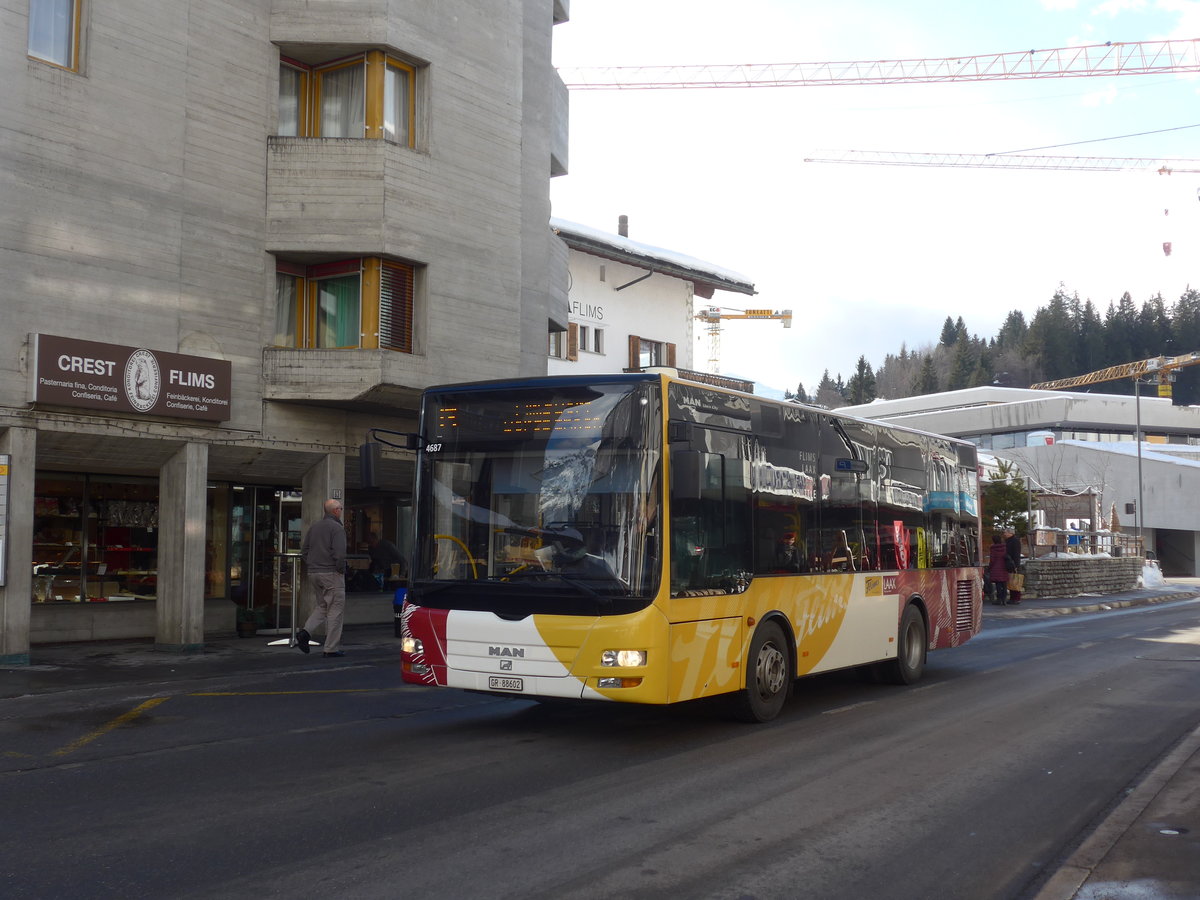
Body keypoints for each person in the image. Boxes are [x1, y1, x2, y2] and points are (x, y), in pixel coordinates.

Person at [296, 498, 348, 657]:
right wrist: (340, 569)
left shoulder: (315, 527)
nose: (341, 510)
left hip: (314, 573)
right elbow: (340, 554)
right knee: (335, 610)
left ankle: (305, 632)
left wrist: (312, 564)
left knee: (323, 606)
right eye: (340, 508)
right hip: (331, 573)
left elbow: (304, 551)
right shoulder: (337, 528)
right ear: (335, 511)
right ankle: (331, 648)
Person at [988, 532, 1010, 605]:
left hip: (996, 568)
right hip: (1004, 568)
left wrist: (990, 567)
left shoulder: (993, 549)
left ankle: (999, 599)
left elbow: (992, 560)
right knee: (1004, 584)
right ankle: (1004, 599)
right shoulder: (1005, 547)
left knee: (998, 585)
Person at [1003, 527, 1023, 604]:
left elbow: (1016, 554)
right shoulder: (1009, 541)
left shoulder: (1014, 541)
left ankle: (1016, 598)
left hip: (1013, 563)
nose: (1004, 534)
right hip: (1010, 563)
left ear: (1010, 533)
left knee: (1015, 581)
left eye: (1005, 532)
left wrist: (1015, 565)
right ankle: (1013, 597)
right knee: (1011, 581)